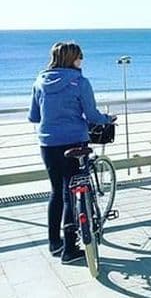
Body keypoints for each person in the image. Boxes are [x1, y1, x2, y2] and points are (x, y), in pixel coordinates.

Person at [28, 42, 115, 264]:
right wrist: (107, 119)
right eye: (80, 57)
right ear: (72, 59)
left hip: (48, 144)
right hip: (75, 142)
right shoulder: (80, 82)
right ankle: (69, 249)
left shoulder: (40, 81)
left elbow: (34, 117)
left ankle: (54, 243)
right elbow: (92, 115)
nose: (82, 60)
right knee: (72, 191)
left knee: (57, 191)